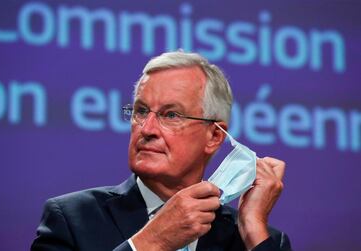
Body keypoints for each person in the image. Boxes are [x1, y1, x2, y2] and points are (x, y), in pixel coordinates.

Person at [31, 51, 291, 251]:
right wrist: (151, 242)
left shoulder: (259, 239)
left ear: (213, 136)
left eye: (171, 115)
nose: (147, 128)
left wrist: (253, 228)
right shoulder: (71, 218)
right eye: (141, 111)